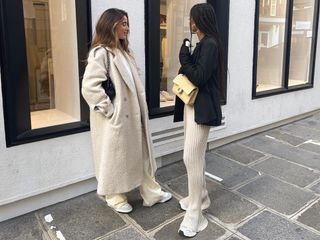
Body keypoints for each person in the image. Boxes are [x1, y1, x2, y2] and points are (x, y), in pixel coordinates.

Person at [82, 8, 172, 214]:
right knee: (115, 159)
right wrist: (109, 110)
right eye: (123, 23)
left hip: (133, 116)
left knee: (141, 155)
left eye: (127, 23)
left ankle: (152, 192)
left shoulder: (124, 52)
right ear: (110, 24)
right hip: (117, 119)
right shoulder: (101, 52)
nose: (127, 28)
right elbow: (89, 87)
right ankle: (114, 197)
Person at [173, 3, 224, 238]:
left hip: (201, 109)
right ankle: (200, 196)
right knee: (196, 156)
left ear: (199, 20)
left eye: (192, 19)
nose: (190, 23)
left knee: (190, 156)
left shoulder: (211, 44)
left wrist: (184, 56)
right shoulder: (204, 43)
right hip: (192, 105)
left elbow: (200, 77)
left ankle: (196, 213)